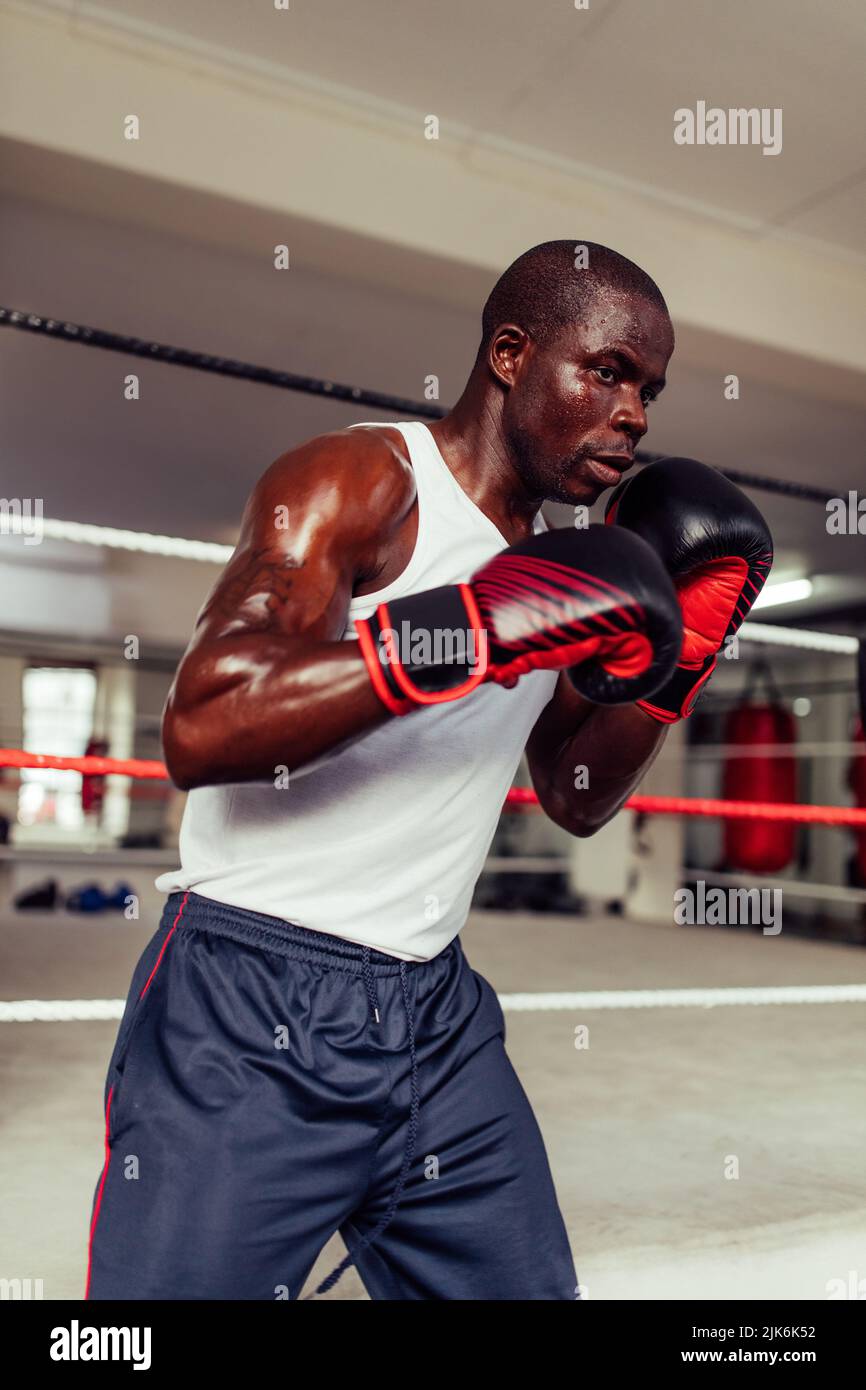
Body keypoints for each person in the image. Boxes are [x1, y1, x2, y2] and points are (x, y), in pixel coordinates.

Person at [86, 240, 770, 1300]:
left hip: (435, 1017)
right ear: (509, 353)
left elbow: (575, 796)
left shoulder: (572, 572)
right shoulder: (359, 480)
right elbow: (202, 724)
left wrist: (681, 655)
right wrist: (464, 628)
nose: (632, 414)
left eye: (648, 391)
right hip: (246, 1000)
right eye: (606, 371)